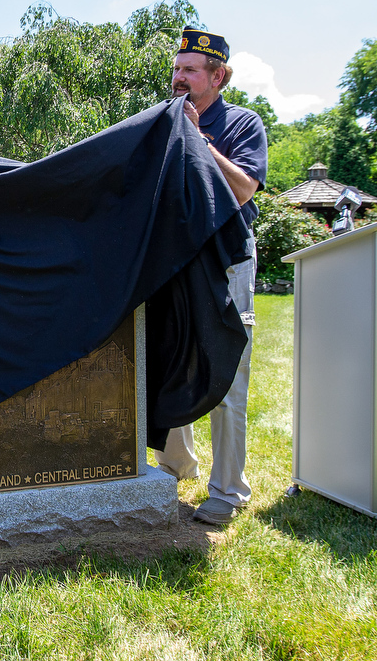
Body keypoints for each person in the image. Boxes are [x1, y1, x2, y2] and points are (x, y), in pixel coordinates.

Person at [154, 27, 268, 525]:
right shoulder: (163, 121)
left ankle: (227, 491)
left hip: (225, 263)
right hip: (174, 263)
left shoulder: (243, 124)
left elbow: (243, 189)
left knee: (228, 371)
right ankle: (175, 467)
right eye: (176, 69)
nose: (179, 78)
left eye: (190, 71)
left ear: (218, 76)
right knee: (167, 360)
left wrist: (198, 140)